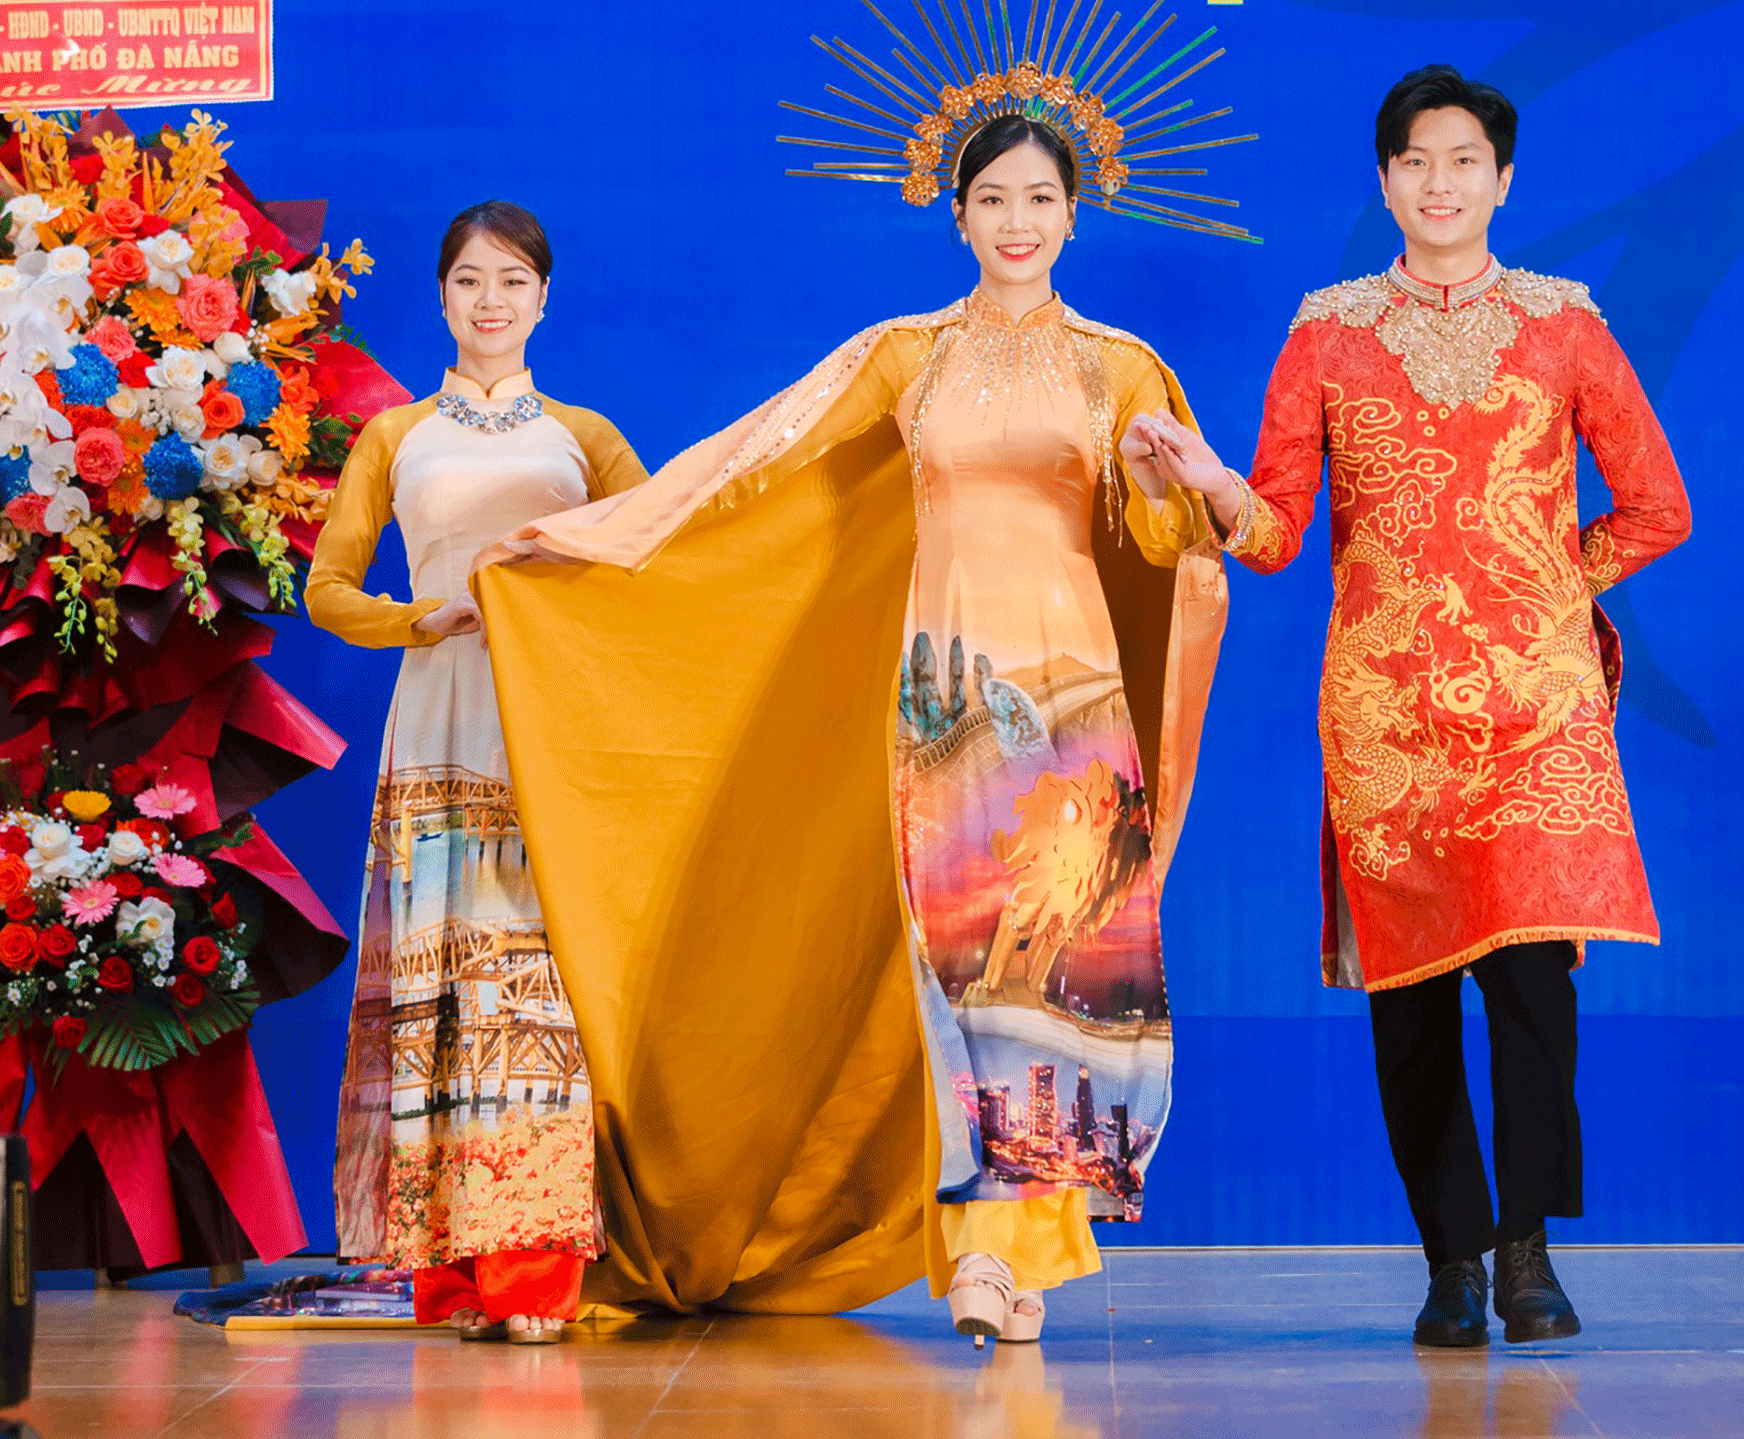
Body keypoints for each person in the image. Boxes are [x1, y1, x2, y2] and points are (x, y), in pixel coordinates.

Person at [470, 65, 1237, 1340]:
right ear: (957, 214)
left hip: (1072, 699)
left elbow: (1184, 539)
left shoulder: (1119, 369)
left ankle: (1014, 1255)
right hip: (946, 696)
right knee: (958, 969)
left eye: (1040, 198)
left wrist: (1194, 481)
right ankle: (986, 1254)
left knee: (1053, 973)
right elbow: (753, 457)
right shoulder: (907, 357)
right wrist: (595, 539)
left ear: (1074, 211)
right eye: (991, 197)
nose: (1016, 222)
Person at [1127, 64, 1689, 1348]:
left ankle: (1529, 1251)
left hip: (1534, 713)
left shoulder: (1565, 325)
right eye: (1415, 163)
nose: (1440, 184)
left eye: (1463, 162)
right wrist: (1211, 477)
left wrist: (1544, 579)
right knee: (1413, 998)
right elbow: (1271, 536)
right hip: (1384, 713)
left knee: (1538, 985)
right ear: (1382, 181)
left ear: (1503, 179)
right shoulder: (1325, 329)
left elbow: (1658, 503)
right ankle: (1449, 1258)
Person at [305, 201, 648, 1343]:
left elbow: (657, 554)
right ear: (441, 298)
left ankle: (534, 1273)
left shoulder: (584, 436)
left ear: (544, 298)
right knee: (444, 1000)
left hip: (548, 729)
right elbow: (327, 589)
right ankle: (451, 1269)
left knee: (534, 1000)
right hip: (439, 715)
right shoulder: (394, 438)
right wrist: (422, 615)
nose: (490, 300)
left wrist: (568, 582)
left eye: (512, 280)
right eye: (469, 281)